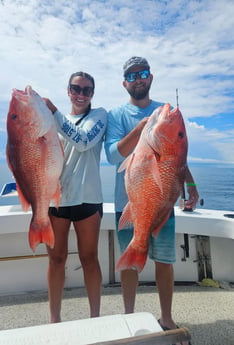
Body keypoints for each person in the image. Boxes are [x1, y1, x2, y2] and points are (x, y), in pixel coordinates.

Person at [104, 57, 198, 344]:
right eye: (132, 76)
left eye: (142, 73)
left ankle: (166, 317)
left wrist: (191, 185)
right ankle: (130, 315)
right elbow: (112, 155)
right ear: (124, 83)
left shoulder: (162, 112)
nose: (138, 79)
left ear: (150, 77)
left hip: (162, 204)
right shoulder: (117, 115)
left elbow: (176, 158)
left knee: (165, 261)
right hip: (130, 202)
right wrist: (142, 128)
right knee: (130, 263)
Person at [44, 71, 107, 323]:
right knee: (55, 260)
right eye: (76, 88)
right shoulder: (52, 121)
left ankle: (95, 318)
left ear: (92, 93)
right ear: (68, 90)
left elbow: (82, 141)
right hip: (56, 199)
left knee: (89, 259)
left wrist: (55, 113)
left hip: (88, 199)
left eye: (87, 90)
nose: (81, 94)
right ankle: (54, 320)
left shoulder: (99, 116)